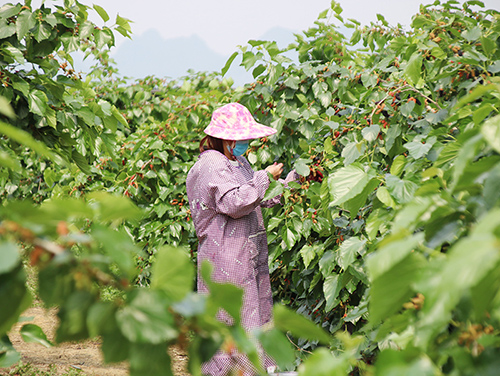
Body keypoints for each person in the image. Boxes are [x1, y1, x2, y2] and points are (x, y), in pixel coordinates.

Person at [186, 102, 297, 376]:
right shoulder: (212, 164)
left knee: (253, 318)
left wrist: (290, 182)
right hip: (225, 258)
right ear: (226, 138)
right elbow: (236, 201)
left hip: (245, 255)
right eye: (242, 137)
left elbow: (256, 198)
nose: (247, 143)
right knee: (233, 321)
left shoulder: (237, 161)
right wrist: (264, 177)